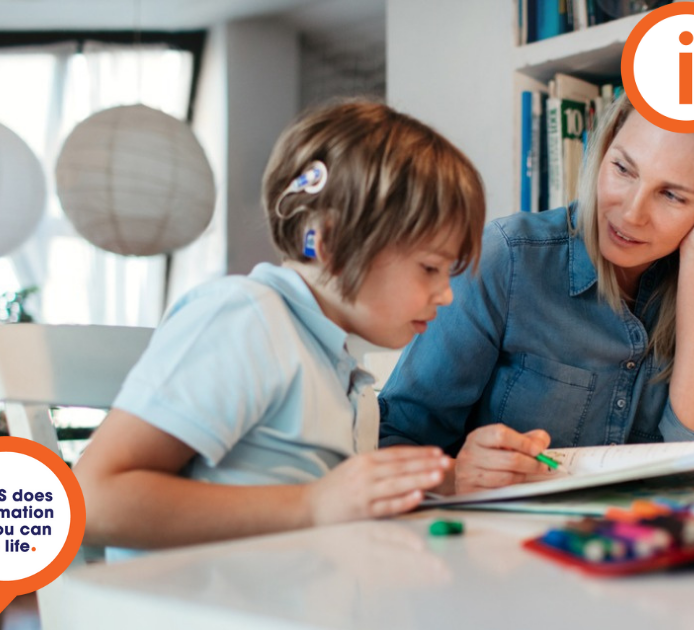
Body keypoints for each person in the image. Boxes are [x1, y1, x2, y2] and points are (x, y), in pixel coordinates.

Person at [74, 100, 485, 551]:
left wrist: (444, 479)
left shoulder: (331, 362)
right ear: (329, 243)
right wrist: (311, 505)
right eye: (430, 268)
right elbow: (92, 500)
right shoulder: (244, 319)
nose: (446, 294)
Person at [379, 78, 694, 496]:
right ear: (603, 148)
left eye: (671, 195)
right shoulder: (508, 258)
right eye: (623, 169)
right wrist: (456, 475)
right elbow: (392, 438)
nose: (631, 214)